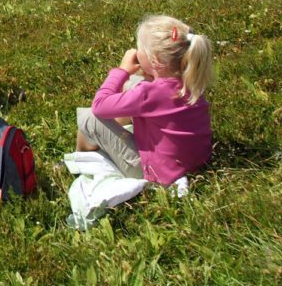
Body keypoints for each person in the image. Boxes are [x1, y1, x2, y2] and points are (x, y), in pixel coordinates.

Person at [75, 15, 213, 184]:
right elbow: (154, 94)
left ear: (155, 60)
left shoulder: (149, 93)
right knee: (132, 85)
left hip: (157, 172)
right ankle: (99, 145)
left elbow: (99, 106)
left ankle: (80, 162)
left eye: (139, 48)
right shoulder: (191, 81)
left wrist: (121, 70)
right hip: (194, 164)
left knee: (89, 118)